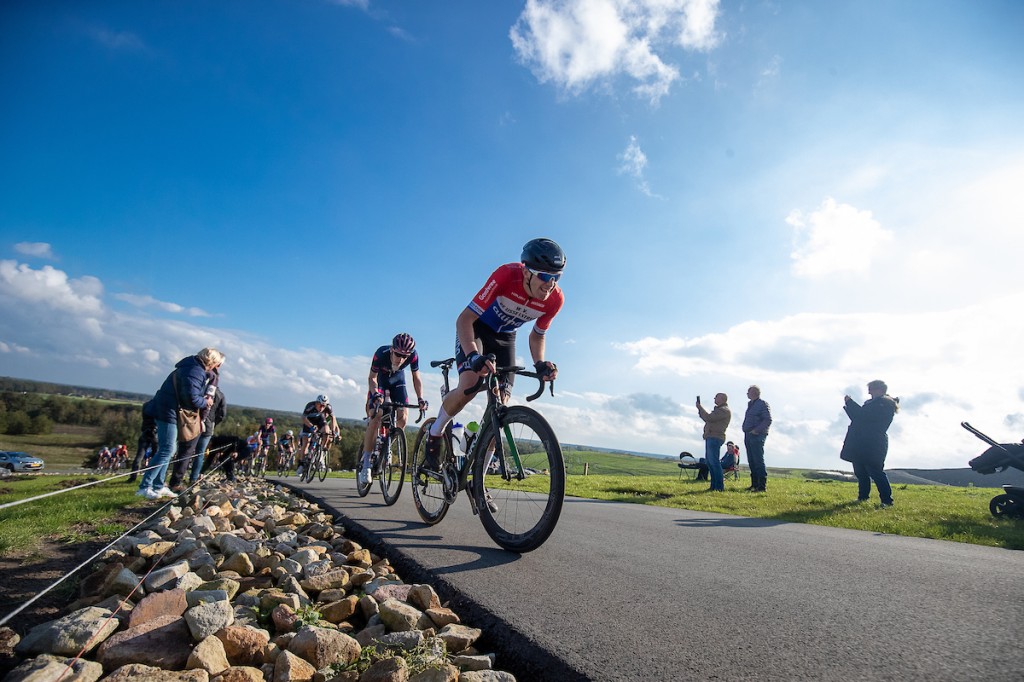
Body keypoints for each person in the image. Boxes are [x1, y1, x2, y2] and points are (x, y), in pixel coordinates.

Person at [422, 238, 565, 472]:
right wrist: (473, 356)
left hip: (505, 338)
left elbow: (537, 335)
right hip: (477, 328)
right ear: (527, 272)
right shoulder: (507, 275)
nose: (550, 284)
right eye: (545, 276)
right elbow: (464, 319)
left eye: (556, 277)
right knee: (470, 383)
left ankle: (479, 480)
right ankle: (435, 432)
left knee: (501, 405)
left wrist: (539, 363)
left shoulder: (555, 300)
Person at [137, 347, 225, 500]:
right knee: (168, 449)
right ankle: (145, 487)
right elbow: (191, 398)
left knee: (170, 449)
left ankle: (158, 486)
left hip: (167, 409)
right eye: (215, 363)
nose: (215, 367)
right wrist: (206, 401)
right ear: (210, 361)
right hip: (167, 411)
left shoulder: (190, 367)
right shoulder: (195, 371)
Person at [358, 332, 428, 486]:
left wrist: (420, 398)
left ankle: (387, 443)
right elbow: (372, 378)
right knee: (376, 415)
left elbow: (416, 378)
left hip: (398, 381)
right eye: (398, 354)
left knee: (403, 417)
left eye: (405, 356)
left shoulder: (413, 356)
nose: (401, 359)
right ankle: (366, 465)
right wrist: (375, 393)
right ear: (392, 349)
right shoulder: (380, 354)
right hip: (381, 381)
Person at [840, 379, 899, 507]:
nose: (869, 392)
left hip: (873, 442)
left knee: (875, 471)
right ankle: (862, 497)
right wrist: (850, 406)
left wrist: (850, 404)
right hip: (862, 441)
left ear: (879, 390)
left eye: (871, 389)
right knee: (860, 471)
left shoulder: (884, 404)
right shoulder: (875, 403)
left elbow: (863, 416)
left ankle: (887, 501)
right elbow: (860, 417)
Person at [189, 384, 226, 484]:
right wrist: (214, 422)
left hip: (194, 422)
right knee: (200, 452)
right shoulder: (220, 395)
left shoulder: (201, 388)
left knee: (188, 449)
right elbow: (222, 414)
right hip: (209, 426)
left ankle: (177, 478)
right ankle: (194, 477)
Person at [696, 393, 731, 492]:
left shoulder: (723, 410)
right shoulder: (719, 410)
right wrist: (700, 410)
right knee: (710, 463)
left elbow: (709, 418)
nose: (714, 398)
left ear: (722, 399)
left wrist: (700, 408)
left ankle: (719, 486)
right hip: (711, 436)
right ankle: (714, 486)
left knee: (714, 462)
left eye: (716, 397)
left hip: (715, 437)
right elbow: (707, 417)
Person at [742, 385, 772, 492]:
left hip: (757, 435)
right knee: (751, 460)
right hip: (748, 434)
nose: (747, 394)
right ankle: (754, 484)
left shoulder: (762, 404)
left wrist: (757, 430)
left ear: (754, 393)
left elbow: (768, 419)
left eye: (748, 392)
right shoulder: (751, 404)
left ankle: (761, 486)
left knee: (758, 460)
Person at [298, 394, 333, 473]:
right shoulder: (310, 405)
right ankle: (301, 464)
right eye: (320, 405)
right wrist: (311, 427)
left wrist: (333, 430)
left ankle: (321, 451)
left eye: (324, 406)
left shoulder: (328, 407)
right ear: (316, 403)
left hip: (320, 421)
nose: (322, 408)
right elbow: (303, 418)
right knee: (306, 443)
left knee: (326, 431)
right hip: (309, 422)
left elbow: (333, 418)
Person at [127, 399, 158, 483]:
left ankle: (133, 476)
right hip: (155, 433)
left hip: (145, 432)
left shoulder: (146, 405)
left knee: (139, 456)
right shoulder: (159, 406)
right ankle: (153, 477)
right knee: (156, 456)